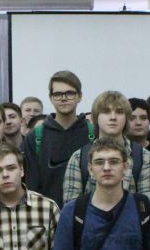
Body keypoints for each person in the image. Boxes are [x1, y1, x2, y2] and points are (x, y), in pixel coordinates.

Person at [62, 91, 150, 202]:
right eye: (106, 111)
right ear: (95, 117)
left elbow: (146, 206)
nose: (113, 117)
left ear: (126, 118)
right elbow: (72, 206)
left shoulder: (143, 156)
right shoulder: (79, 157)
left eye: (119, 112)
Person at [20, 71, 95, 205]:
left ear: (80, 96)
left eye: (70, 93)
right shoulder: (35, 137)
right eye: (58, 94)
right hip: (47, 213)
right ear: (51, 98)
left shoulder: (93, 133)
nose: (63, 98)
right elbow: (32, 186)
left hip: (87, 212)